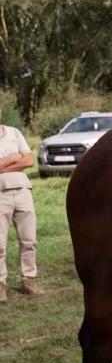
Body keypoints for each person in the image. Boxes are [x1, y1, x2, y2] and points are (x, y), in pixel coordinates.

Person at [0, 111, 43, 303]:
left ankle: (29, 280)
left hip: (23, 191)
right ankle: (0, 285)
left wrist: (4, 164)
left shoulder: (14, 132)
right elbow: (22, 159)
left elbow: (29, 160)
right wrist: (15, 158)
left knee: (29, 239)